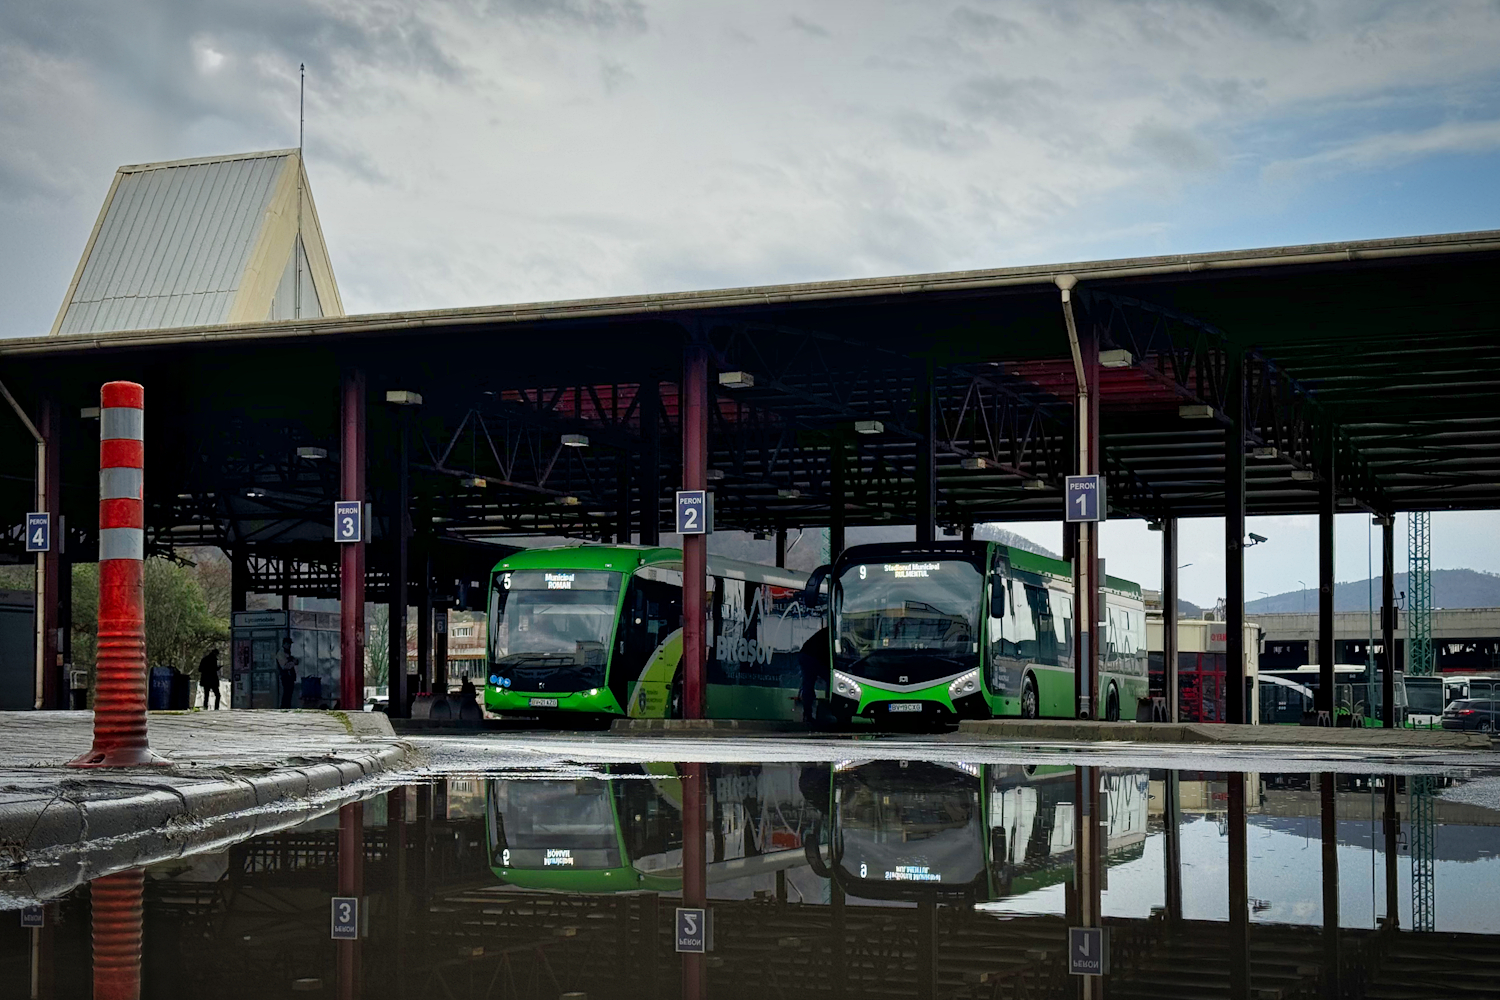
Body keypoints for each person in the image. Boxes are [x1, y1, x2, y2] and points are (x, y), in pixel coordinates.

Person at [797, 626, 829, 728]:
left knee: (808, 684)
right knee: (830, 680)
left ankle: (808, 714)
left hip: (806, 654)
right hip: (812, 656)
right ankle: (828, 710)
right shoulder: (833, 634)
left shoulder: (826, 632)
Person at [276, 638, 298, 710]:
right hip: (285, 676)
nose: (289, 646)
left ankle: (287, 707)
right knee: (286, 693)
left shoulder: (287, 652)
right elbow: (284, 666)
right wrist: (293, 663)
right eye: (288, 644)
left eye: (290, 644)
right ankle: (284, 707)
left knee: (289, 693)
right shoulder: (281, 653)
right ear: (284, 644)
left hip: (290, 676)